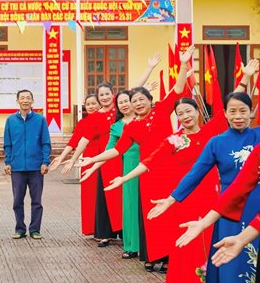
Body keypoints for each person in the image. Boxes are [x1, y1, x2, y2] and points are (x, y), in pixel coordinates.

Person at [78, 46, 192, 271]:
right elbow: (116, 150)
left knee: (171, 212)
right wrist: (91, 160)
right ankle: (153, 256)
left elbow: (178, 89)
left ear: (150, 100)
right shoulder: (132, 127)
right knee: (150, 215)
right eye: (135, 101)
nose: (138, 103)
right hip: (147, 174)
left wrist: (183, 64)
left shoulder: (161, 110)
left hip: (170, 171)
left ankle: (170, 257)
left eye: (142, 99)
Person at [104, 96, 228, 283]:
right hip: (185, 200)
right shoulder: (174, 140)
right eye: (180, 113)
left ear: (197, 112)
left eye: (189, 111)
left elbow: (229, 110)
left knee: (214, 239)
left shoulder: (210, 133)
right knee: (190, 244)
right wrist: (124, 178)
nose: (185, 116)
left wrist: (244, 81)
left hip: (212, 199)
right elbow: (149, 161)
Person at [152, 91, 260, 283]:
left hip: (257, 204)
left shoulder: (258, 136)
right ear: (225, 113)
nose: (238, 116)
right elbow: (195, 174)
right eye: (232, 111)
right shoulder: (216, 143)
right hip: (229, 209)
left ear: (250, 112)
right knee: (230, 261)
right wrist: (171, 199)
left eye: (243, 111)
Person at [53, 54, 160, 248]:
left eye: (107, 94)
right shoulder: (95, 117)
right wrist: (69, 158)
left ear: (113, 94)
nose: (104, 98)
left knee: (127, 195)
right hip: (107, 158)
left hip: (127, 157)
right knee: (108, 197)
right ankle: (106, 233)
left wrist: (149, 67)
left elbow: (135, 90)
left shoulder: (122, 109)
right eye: (100, 95)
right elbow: (82, 139)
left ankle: (127, 232)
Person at [82, 90, 141, 259]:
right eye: (120, 102)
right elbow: (112, 151)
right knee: (130, 207)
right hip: (129, 168)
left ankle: (153, 250)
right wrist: (92, 165)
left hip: (150, 167)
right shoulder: (117, 127)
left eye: (127, 101)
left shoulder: (145, 120)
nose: (124, 105)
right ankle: (132, 246)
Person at [50, 94, 101, 236]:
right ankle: (92, 228)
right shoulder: (83, 123)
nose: (91, 106)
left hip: (106, 157)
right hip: (89, 159)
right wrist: (61, 157)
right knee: (90, 195)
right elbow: (74, 141)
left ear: (99, 104)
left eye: (94, 103)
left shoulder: (108, 118)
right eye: (88, 104)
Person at [3, 89, 51, 239]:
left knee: (36, 200)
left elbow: (45, 142)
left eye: (28, 98)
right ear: (17, 101)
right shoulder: (11, 120)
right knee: (17, 200)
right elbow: (8, 144)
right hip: (17, 167)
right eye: (22, 98)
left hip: (36, 167)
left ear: (32, 101)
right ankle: (20, 229)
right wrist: (8, 161)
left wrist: (45, 161)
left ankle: (35, 229)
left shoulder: (40, 120)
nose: (25, 101)